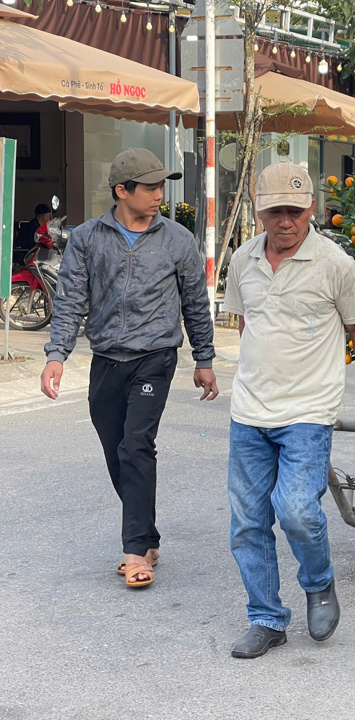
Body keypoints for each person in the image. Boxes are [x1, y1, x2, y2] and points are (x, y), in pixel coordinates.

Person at [222, 162, 355, 659]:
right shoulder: (243, 260)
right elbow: (248, 324)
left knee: (297, 511)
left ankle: (319, 583)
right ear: (260, 213)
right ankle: (266, 618)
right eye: (276, 211)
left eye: (295, 212)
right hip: (249, 413)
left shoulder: (335, 264)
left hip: (307, 413)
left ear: (311, 211)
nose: (286, 222)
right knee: (247, 523)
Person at [41, 148, 218, 589]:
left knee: (136, 445)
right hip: (106, 359)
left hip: (154, 358)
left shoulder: (177, 239)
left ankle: (135, 552)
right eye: (151, 186)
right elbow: (69, 301)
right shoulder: (86, 238)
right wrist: (56, 356)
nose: (161, 194)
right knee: (115, 448)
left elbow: (196, 303)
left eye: (162, 185)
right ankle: (149, 534)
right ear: (123, 191)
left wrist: (204, 358)